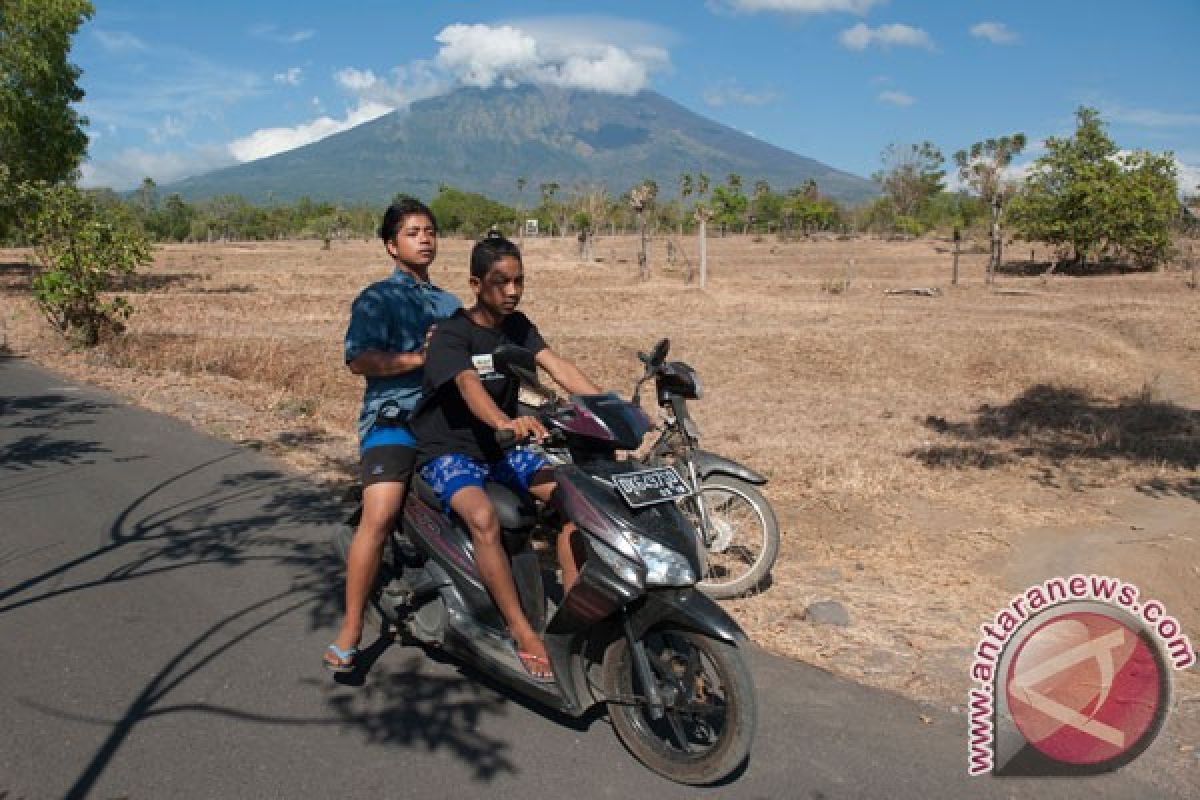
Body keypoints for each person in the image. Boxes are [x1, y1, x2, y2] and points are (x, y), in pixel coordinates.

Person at [410, 233, 600, 681]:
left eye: (519, 281)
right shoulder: (452, 335)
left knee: (581, 500)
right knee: (482, 518)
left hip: (501, 448)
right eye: (501, 282)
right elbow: (468, 385)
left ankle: (576, 614)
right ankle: (520, 629)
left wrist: (610, 405)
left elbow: (559, 366)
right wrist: (502, 421)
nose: (512, 291)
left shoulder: (517, 327)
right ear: (476, 284)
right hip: (449, 451)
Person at [324, 197, 461, 673]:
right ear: (390, 245)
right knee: (379, 515)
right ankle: (352, 625)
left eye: (430, 231)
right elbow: (360, 361)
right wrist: (421, 360)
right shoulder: (377, 299)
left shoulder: (451, 304)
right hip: (394, 420)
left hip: (449, 422)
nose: (425, 239)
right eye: (413, 232)